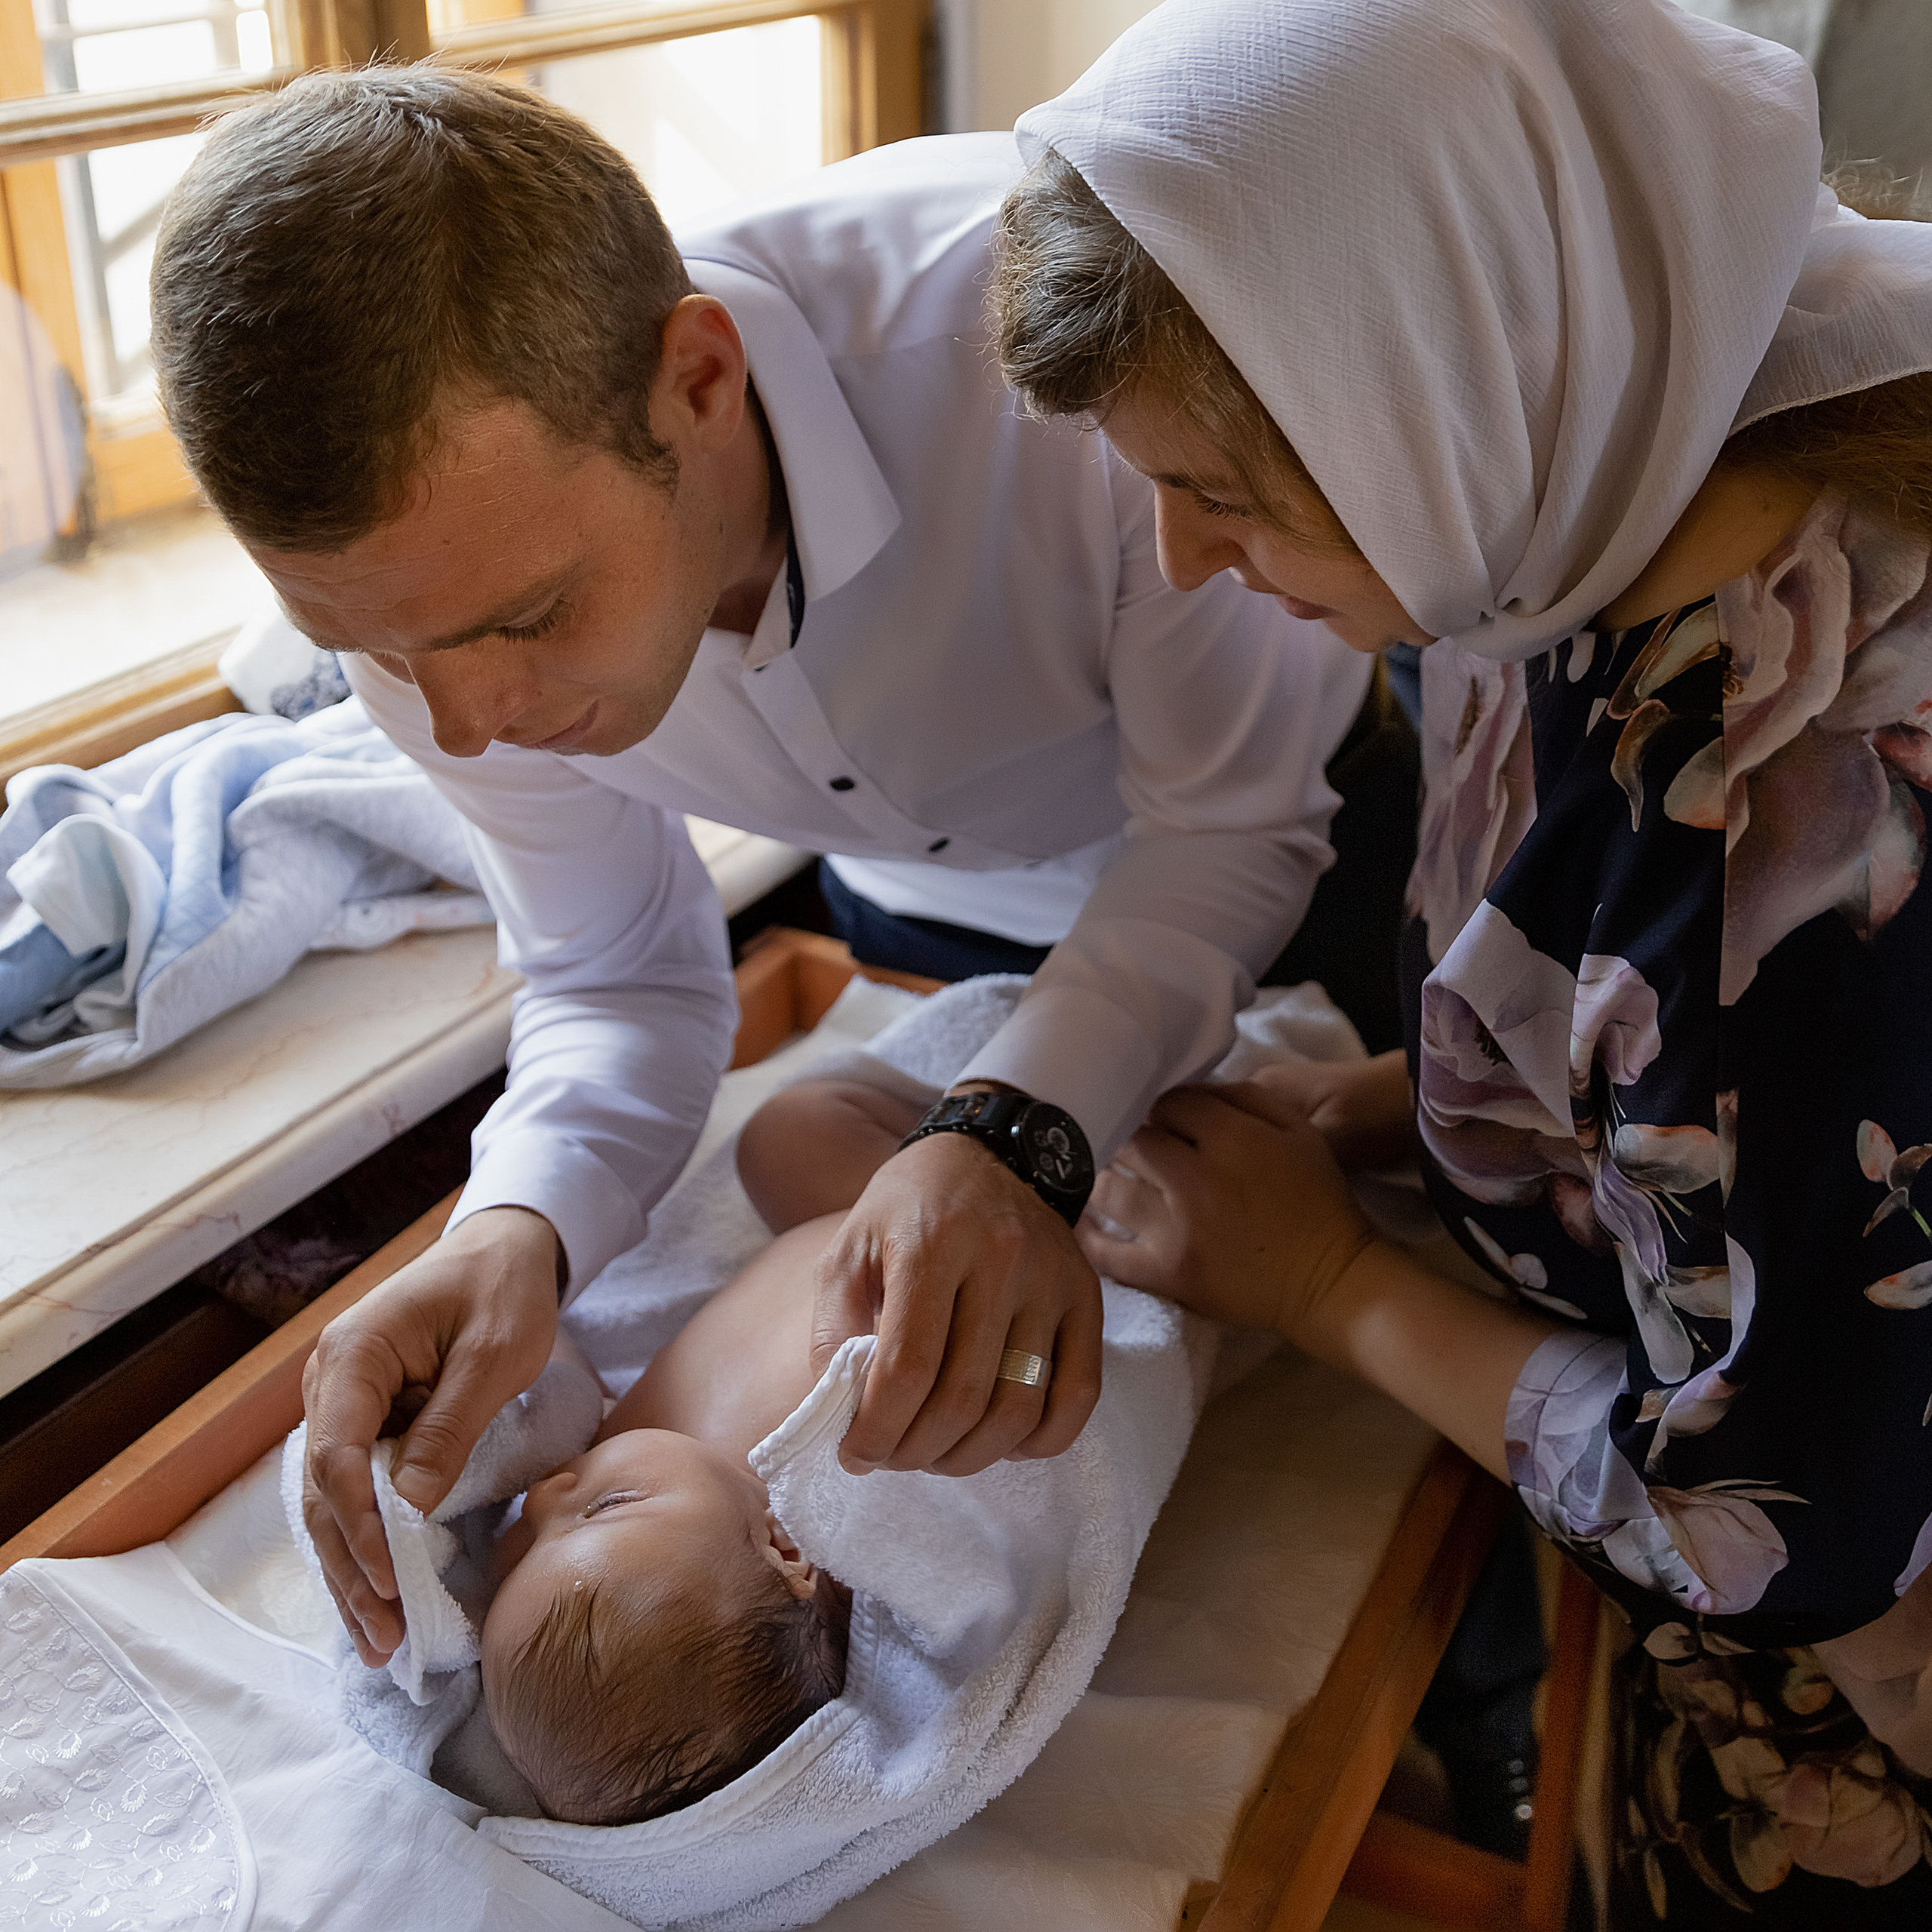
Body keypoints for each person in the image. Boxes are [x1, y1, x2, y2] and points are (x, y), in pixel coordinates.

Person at [146, 69, 1368, 1675]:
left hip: (1300, 823)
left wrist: (1011, 1126)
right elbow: (618, 972)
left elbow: (1225, 829)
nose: (475, 721)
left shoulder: (1064, 348)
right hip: (922, 897)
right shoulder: (441, 609)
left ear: (696, 380)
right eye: (367, 651)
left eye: (525, 617)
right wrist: (514, 1228)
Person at [989, 0, 1932, 1921]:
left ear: (1446, 378)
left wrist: (1323, 1280)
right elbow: (1637, 1067)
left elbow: (1779, 1528)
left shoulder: (1796, 847)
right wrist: (1407, 1112)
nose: (1174, 564)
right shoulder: (1588, 493)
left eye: (1223, 494)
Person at [481, 1075, 919, 1826]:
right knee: (805, 1123)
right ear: (785, 1550)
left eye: (520, 1553)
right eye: (607, 1507)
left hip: (832, 1216)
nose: (547, 1497)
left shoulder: (610, 1448)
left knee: (782, 1134)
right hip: (904, 1241)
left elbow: (544, 1350)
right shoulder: (840, 1476)